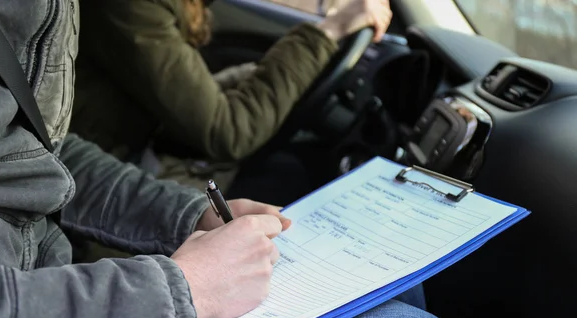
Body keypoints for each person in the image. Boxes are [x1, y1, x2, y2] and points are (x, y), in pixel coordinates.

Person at [0, 1, 469, 318]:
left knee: (395, 290)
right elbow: (225, 129)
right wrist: (184, 288)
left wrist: (189, 213)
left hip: (38, 297)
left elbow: (37, 157)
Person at [69, 0, 394, 192]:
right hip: (98, 183)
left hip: (134, 155)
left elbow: (196, 97)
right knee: (297, 182)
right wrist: (329, 31)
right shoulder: (128, 6)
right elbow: (228, 131)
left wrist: (273, 73)